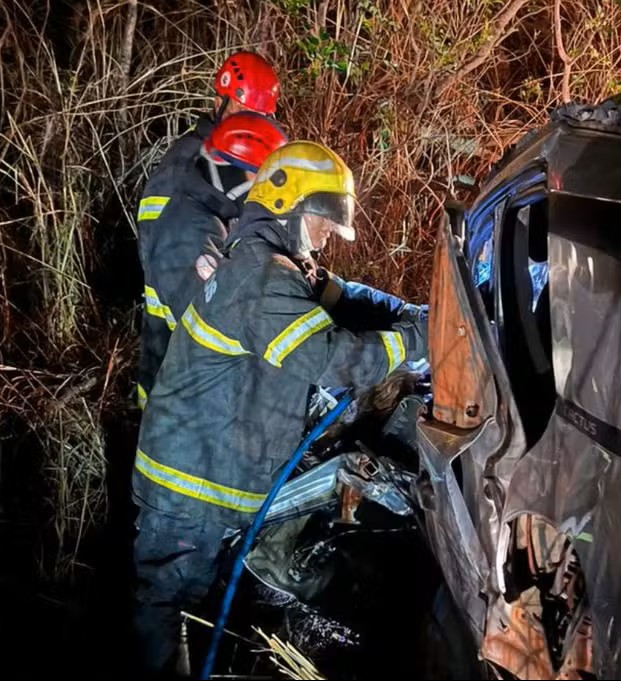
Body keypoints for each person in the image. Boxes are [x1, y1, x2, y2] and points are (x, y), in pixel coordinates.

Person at [130, 141, 428, 673]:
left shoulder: (269, 264)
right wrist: (419, 338)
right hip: (190, 488)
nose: (327, 239)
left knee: (186, 608)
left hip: (200, 478)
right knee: (168, 608)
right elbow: (334, 361)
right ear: (293, 207)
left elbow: (341, 294)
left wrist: (408, 312)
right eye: (322, 227)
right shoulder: (265, 279)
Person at [135, 51, 280, 407]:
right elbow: (185, 272)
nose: (251, 124)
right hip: (177, 360)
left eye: (260, 117)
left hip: (201, 364)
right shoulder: (187, 170)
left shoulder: (242, 160)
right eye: (242, 113)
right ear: (218, 102)